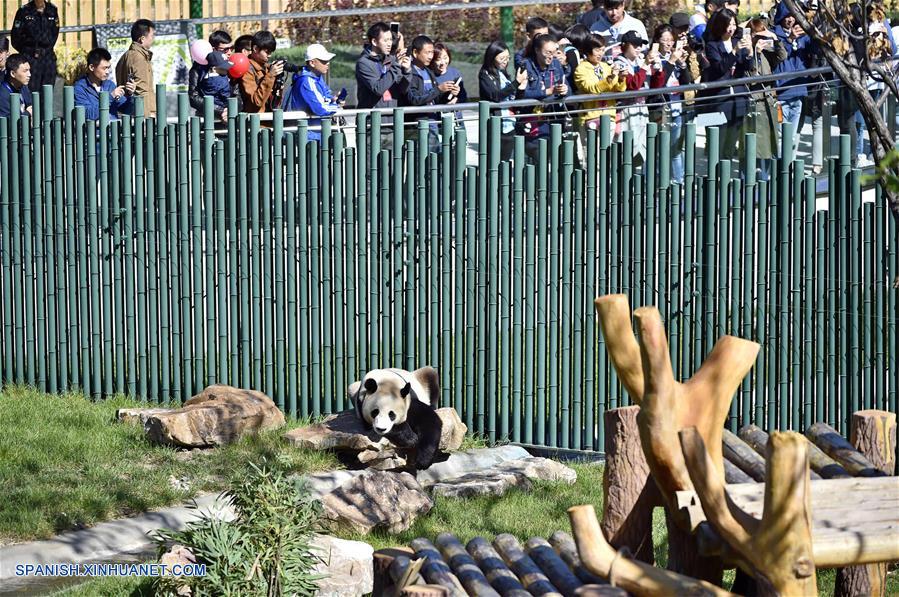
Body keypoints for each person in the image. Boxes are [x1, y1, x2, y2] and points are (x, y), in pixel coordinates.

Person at [697, 8, 753, 160]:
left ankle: (726, 171)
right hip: (719, 101)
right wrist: (734, 52)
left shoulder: (737, 41)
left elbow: (747, 68)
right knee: (717, 145)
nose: (732, 28)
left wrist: (749, 52)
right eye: (728, 24)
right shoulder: (712, 45)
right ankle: (715, 172)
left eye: (734, 24)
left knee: (730, 145)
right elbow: (719, 69)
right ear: (721, 25)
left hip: (738, 100)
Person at [648, 24, 693, 183]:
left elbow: (686, 83)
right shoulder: (653, 58)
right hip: (660, 109)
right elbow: (659, 84)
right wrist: (672, 61)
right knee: (658, 149)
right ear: (657, 40)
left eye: (671, 40)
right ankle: (656, 182)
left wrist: (682, 64)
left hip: (677, 106)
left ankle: (678, 182)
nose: (668, 43)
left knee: (675, 149)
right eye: (665, 40)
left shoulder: (673, 56)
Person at [355, 21, 412, 146]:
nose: (389, 44)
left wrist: (407, 71)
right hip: (371, 127)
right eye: (385, 40)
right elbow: (378, 88)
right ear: (374, 42)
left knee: (394, 159)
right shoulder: (364, 63)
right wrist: (396, 66)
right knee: (371, 159)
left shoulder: (391, 59)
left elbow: (402, 89)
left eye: (391, 40)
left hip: (393, 124)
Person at [400, 35, 458, 153]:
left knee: (434, 160)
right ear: (415, 53)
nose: (431, 56)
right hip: (417, 127)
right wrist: (438, 90)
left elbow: (435, 99)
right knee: (420, 161)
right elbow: (414, 99)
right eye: (427, 52)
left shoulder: (428, 71)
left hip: (432, 123)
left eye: (432, 52)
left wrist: (449, 93)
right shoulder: (409, 72)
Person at [745, 16, 786, 180]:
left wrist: (774, 38)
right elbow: (752, 74)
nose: (762, 39)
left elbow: (782, 56)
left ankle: (771, 176)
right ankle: (761, 178)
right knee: (760, 144)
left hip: (770, 99)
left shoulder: (768, 52)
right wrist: (755, 52)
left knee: (773, 140)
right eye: (758, 35)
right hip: (756, 102)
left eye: (763, 34)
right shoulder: (747, 53)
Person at [573, 34, 626, 160]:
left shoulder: (606, 66)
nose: (600, 53)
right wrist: (610, 78)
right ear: (588, 50)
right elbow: (592, 89)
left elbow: (619, 89)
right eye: (597, 50)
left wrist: (621, 78)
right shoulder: (581, 69)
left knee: (606, 158)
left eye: (602, 50)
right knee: (591, 159)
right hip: (590, 117)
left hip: (609, 116)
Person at [518, 33, 569, 159]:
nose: (551, 56)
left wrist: (565, 90)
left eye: (554, 52)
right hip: (532, 120)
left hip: (553, 119)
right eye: (548, 52)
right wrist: (547, 92)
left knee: (555, 158)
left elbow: (567, 89)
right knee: (538, 157)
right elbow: (521, 94)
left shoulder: (556, 64)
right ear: (537, 50)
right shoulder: (526, 65)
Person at [284, 43, 344, 142]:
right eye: (324, 61)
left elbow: (325, 96)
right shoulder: (306, 81)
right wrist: (336, 106)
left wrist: (334, 100)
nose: (328, 63)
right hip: (309, 137)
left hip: (317, 133)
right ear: (312, 63)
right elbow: (320, 109)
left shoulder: (316, 77)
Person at [478, 40, 528, 160]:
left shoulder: (504, 74)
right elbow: (496, 96)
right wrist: (516, 83)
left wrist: (521, 88)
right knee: (493, 162)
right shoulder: (485, 74)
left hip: (509, 123)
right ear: (492, 57)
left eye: (507, 58)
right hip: (496, 125)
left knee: (505, 162)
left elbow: (514, 101)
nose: (505, 61)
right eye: (502, 58)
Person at [773, 3, 811, 156]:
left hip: (799, 91)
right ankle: (780, 167)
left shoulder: (803, 35)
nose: (790, 19)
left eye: (793, 16)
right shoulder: (773, 34)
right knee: (780, 136)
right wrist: (789, 39)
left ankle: (790, 166)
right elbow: (778, 56)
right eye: (787, 16)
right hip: (781, 95)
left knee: (793, 136)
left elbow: (816, 49)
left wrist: (814, 33)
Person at [613, 30, 652, 164]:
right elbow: (632, 85)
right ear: (624, 45)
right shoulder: (618, 63)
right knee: (627, 149)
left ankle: (637, 176)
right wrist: (645, 66)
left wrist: (658, 70)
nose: (638, 48)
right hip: (626, 109)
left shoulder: (640, 61)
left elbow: (656, 85)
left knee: (643, 147)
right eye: (634, 45)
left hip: (642, 107)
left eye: (640, 45)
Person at [10, 0, 59, 92]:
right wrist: (28, 51)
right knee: (31, 92)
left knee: (47, 92)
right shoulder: (24, 11)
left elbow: (54, 33)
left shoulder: (52, 10)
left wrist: (45, 50)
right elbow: (15, 37)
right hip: (30, 59)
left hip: (48, 59)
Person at [73, 47, 133, 121]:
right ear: (91, 67)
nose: (107, 72)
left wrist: (130, 95)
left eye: (108, 68)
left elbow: (126, 110)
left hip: (113, 128)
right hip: (94, 128)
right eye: (104, 68)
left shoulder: (110, 85)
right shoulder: (80, 88)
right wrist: (110, 97)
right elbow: (88, 115)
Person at [188, 29, 233, 120]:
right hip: (207, 118)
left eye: (231, 48)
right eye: (225, 50)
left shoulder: (231, 64)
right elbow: (194, 98)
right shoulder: (198, 69)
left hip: (230, 116)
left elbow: (238, 94)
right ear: (213, 49)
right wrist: (220, 110)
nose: (229, 52)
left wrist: (232, 109)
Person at [115, 19, 156, 117]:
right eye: (152, 36)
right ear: (142, 39)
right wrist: (148, 116)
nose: (153, 39)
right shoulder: (138, 57)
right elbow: (141, 91)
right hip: (142, 114)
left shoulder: (127, 55)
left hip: (132, 112)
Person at [238, 31, 284, 113]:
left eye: (271, 52)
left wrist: (278, 89)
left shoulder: (267, 68)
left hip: (268, 117)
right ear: (255, 49)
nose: (269, 55)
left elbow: (275, 104)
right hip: (254, 119)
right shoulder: (247, 69)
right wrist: (270, 76)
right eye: (267, 52)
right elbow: (256, 101)